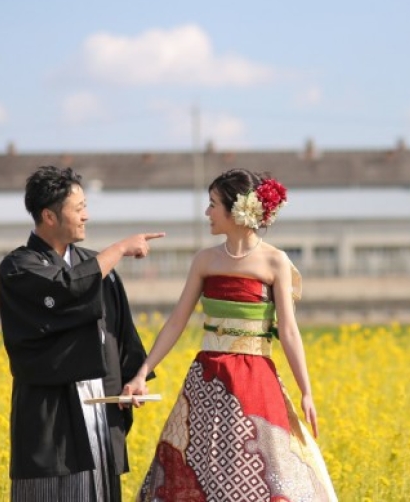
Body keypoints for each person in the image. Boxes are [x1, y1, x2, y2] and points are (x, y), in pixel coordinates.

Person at [123, 168, 337, 501]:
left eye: (212, 204)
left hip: (256, 379)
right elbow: (177, 321)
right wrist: (142, 373)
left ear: (236, 209)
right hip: (208, 378)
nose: (206, 212)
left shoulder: (275, 262)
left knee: (266, 471)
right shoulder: (205, 260)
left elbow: (289, 331)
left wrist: (306, 391)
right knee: (199, 469)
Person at [0, 165, 165, 502]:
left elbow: (120, 335)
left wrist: (134, 379)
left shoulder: (98, 267)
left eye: (85, 207)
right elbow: (65, 289)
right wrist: (119, 249)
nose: (86, 216)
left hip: (101, 408)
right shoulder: (19, 267)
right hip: (51, 414)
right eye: (78, 209)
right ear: (49, 216)